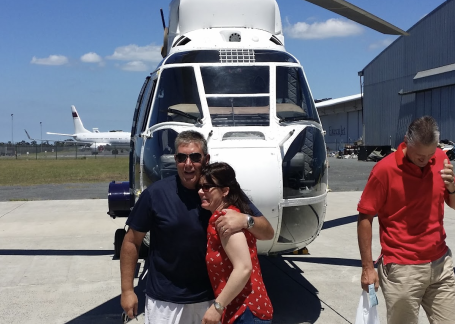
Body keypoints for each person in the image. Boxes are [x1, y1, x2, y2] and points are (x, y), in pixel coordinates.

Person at [120, 130, 274, 324]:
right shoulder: (155, 194)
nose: (188, 164)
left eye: (195, 157)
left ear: (206, 159)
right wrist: (127, 290)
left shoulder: (222, 192)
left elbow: (267, 232)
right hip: (165, 302)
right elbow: (132, 241)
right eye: (181, 157)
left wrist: (246, 220)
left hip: (211, 299)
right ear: (175, 160)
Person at [357, 116, 455, 324]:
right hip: (402, 269)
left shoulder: (441, 159)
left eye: (431, 154)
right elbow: (365, 217)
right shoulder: (384, 171)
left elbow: (453, 204)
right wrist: (367, 267)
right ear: (405, 141)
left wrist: (452, 188)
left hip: (440, 265)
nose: (427, 160)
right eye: (420, 155)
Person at [198, 162, 273, 324]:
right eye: (200, 186)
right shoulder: (223, 216)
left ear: (225, 191)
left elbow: (244, 268)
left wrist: (217, 307)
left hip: (246, 312)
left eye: (206, 187)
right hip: (239, 311)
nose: (200, 191)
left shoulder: (226, 220)